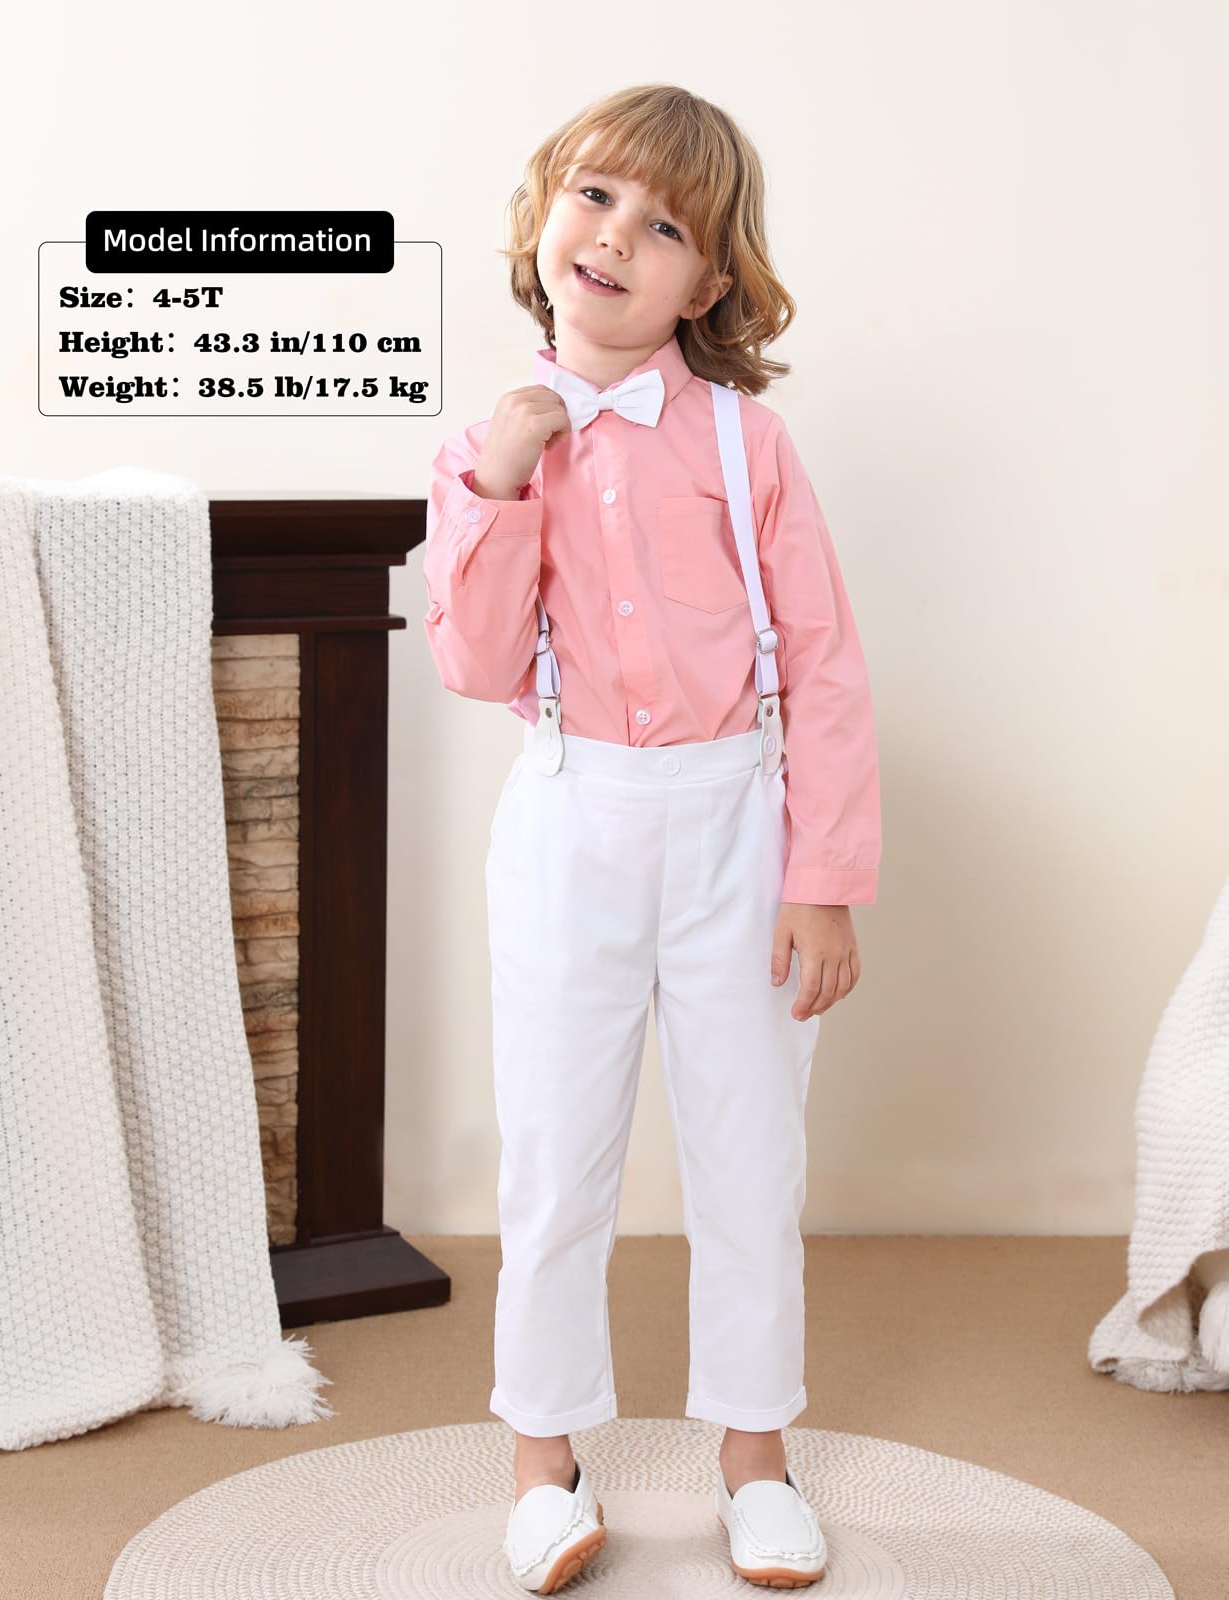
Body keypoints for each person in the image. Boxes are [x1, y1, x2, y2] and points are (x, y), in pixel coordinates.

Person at [422, 82, 881, 1592]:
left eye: (665, 225)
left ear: (709, 283)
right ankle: (542, 1463)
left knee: (750, 1160)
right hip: (573, 817)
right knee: (556, 1158)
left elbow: (824, 666)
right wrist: (501, 477)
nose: (617, 236)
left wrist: (823, 879)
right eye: (596, 196)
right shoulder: (487, 448)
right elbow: (477, 665)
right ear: (544, 217)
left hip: (738, 820)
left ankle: (755, 1460)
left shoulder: (749, 443)